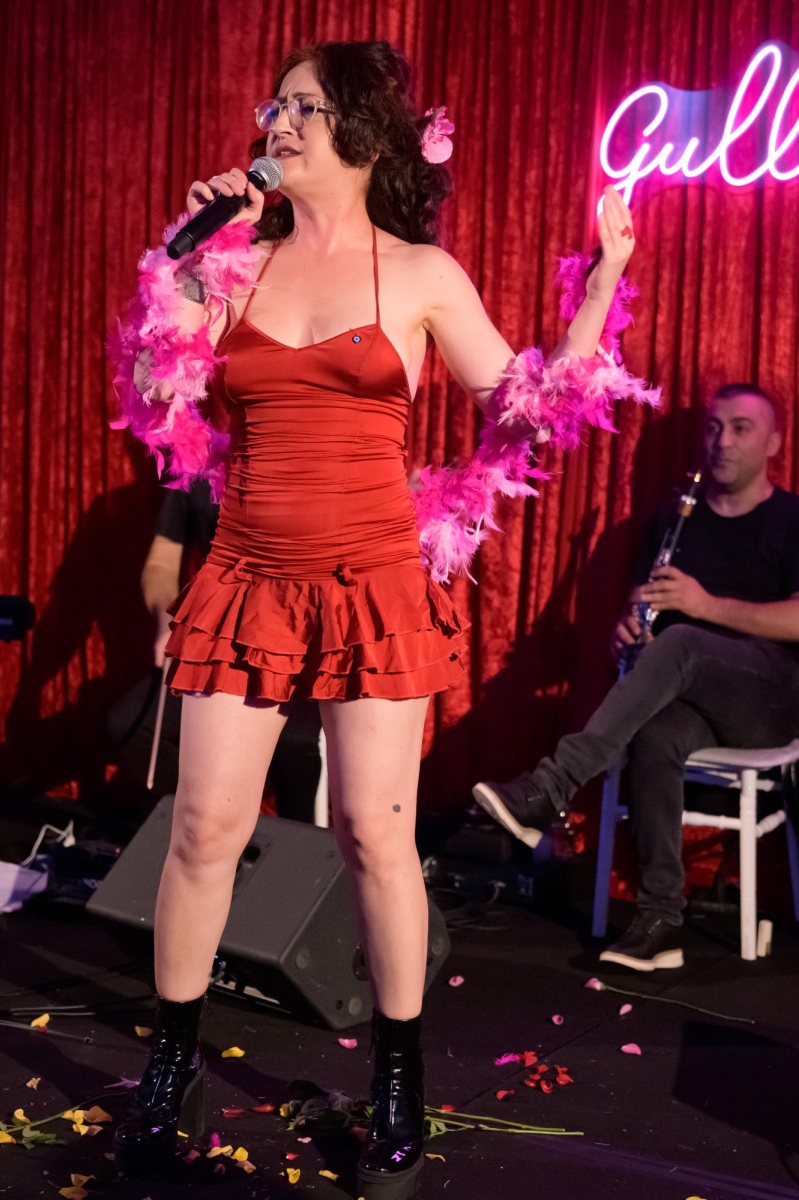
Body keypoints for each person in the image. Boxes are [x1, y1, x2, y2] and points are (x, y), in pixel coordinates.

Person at [111, 40, 637, 1195]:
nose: (277, 121)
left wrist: (600, 282)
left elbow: (528, 409)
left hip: (371, 583)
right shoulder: (236, 265)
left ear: (360, 130)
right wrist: (182, 267)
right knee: (201, 829)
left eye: (301, 105)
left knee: (371, 833)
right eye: (274, 105)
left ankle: (397, 1079)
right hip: (246, 574)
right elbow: (159, 398)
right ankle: (170, 1064)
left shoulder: (421, 273)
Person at [473, 384, 799, 972]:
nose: (722, 441)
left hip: (770, 701)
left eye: (741, 428)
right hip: (689, 691)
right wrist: (630, 631)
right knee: (655, 731)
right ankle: (661, 920)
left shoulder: (792, 518)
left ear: (774, 443)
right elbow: (643, 604)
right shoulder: (676, 518)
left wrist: (704, 608)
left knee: (682, 641)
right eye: (714, 427)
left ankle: (552, 786)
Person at [107, 482, 323, 821]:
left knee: (292, 745)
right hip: (219, 638)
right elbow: (161, 563)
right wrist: (167, 620)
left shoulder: (311, 467)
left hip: (297, 640)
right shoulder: (197, 471)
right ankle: (207, 820)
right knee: (131, 728)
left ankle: (294, 848)